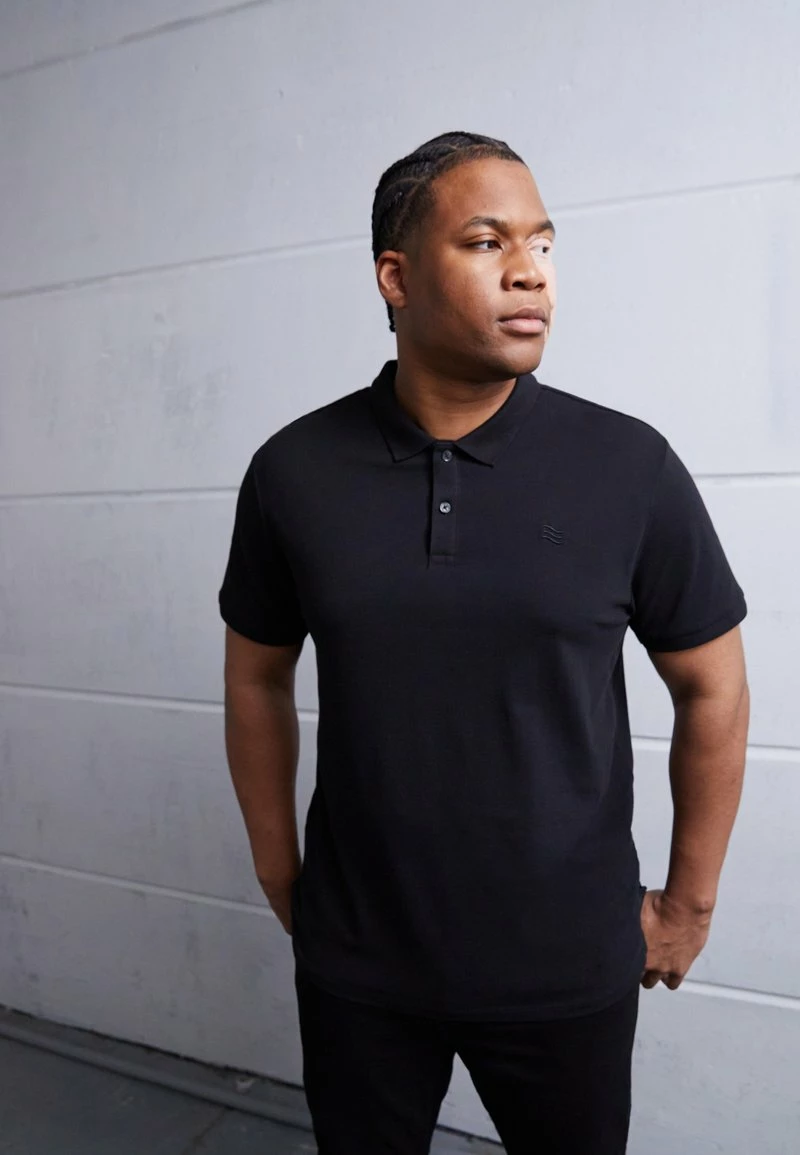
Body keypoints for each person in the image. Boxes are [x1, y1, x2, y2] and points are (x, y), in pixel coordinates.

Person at [218, 131, 750, 1154]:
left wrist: (687, 903)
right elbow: (256, 674)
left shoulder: (627, 465)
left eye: (542, 244)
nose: (529, 272)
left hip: (566, 965)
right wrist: (279, 867)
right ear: (396, 276)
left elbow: (713, 686)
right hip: (361, 963)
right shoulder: (294, 471)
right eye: (485, 241)